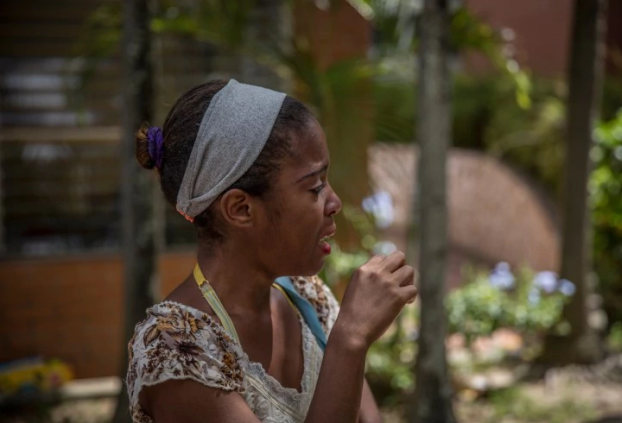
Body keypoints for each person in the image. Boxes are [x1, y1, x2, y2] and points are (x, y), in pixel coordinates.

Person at [126, 79, 417, 423]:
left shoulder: (310, 300)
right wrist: (350, 340)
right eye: (315, 187)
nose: (335, 203)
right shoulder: (177, 349)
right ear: (241, 209)